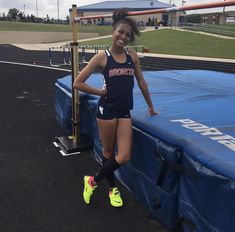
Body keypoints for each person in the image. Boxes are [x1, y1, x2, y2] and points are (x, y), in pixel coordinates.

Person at [73, 8, 158, 208]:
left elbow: (142, 82)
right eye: (121, 32)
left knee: (125, 155)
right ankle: (112, 188)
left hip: (124, 110)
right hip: (107, 111)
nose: (123, 37)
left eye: (128, 35)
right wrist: (100, 92)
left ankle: (92, 181)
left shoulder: (133, 56)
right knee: (109, 152)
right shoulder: (102, 57)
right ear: (113, 31)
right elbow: (78, 83)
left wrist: (150, 106)